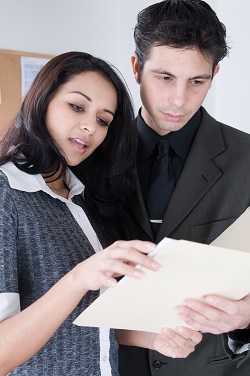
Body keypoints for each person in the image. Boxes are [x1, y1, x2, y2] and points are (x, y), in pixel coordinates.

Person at [0, 51, 202, 376]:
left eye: (103, 120)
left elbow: (83, 322)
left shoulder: (81, 198)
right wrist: (79, 278)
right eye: (77, 106)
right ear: (41, 100)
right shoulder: (5, 193)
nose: (89, 126)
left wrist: (152, 337)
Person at [118, 1, 250, 375]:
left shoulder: (248, 157)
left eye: (197, 81)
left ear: (215, 74)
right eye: (164, 77)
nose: (179, 100)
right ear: (136, 68)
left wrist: (246, 313)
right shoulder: (88, 156)